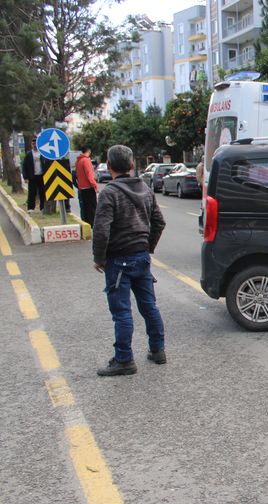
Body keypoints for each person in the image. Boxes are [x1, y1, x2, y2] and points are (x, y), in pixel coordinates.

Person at [92, 145, 167, 377]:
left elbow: (101, 230)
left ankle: (124, 360)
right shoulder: (145, 189)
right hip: (142, 257)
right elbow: (159, 222)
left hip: (119, 260)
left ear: (109, 165)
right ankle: (158, 350)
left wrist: (99, 257)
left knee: (121, 311)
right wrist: (148, 247)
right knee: (149, 307)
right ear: (132, 165)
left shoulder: (109, 193)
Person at [75, 146, 99, 226]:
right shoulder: (86, 160)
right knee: (92, 207)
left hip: (82, 187)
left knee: (85, 207)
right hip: (89, 187)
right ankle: (93, 224)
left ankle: (87, 223)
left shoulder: (78, 161)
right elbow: (89, 175)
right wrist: (95, 185)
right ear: (89, 151)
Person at [22, 137, 46, 214]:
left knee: (42, 193)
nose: (35, 145)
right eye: (33, 143)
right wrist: (25, 177)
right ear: (31, 144)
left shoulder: (43, 154)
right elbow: (24, 166)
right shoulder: (29, 154)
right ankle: (31, 208)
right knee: (32, 193)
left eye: (36, 143)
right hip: (32, 176)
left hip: (42, 176)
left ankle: (42, 208)